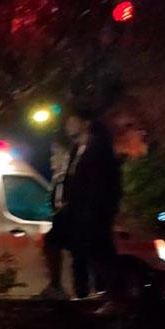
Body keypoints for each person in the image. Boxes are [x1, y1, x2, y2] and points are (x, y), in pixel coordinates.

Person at [40, 114, 121, 300]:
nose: (68, 125)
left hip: (92, 209)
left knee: (100, 251)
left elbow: (101, 180)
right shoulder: (76, 149)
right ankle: (56, 286)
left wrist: (96, 207)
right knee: (53, 240)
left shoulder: (98, 147)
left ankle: (115, 295)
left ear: (86, 123)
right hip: (74, 209)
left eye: (72, 121)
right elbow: (73, 179)